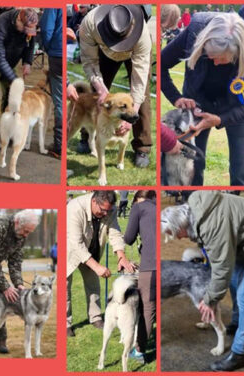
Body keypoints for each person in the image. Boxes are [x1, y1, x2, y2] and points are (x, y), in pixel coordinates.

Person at [161, 191, 244, 371]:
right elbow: (218, 258)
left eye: (175, 233)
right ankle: (237, 322)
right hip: (239, 242)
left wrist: (209, 300)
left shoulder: (211, 225)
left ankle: (240, 353)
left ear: (181, 225)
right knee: (233, 281)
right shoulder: (197, 211)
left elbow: (222, 267)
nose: (177, 238)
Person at [162, 12, 244, 186]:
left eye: (222, 59)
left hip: (237, 109)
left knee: (242, 172)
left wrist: (220, 119)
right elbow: (161, 64)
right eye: (209, 56)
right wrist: (177, 98)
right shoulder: (194, 30)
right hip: (197, 106)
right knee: (191, 166)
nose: (215, 63)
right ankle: (191, 207)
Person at [78, 5, 154, 168]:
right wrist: (101, 88)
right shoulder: (89, 24)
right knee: (95, 96)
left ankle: (142, 146)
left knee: (143, 98)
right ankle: (87, 135)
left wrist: (131, 117)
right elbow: (89, 62)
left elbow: (139, 80)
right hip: (103, 54)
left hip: (135, 54)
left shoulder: (143, 36)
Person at [66, 191, 136, 337]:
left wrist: (121, 256)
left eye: (108, 210)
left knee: (93, 285)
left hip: (91, 249)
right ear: (94, 202)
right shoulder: (74, 208)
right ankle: (65, 323)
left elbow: (115, 233)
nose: (106, 214)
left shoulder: (110, 209)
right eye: (103, 210)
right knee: (65, 287)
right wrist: (97, 267)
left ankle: (96, 317)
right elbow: (76, 244)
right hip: (69, 251)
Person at [0, 210, 40, 354]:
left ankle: (0, 341)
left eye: (29, 232)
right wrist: (6, 286)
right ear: (17, 222)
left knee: (2, 301)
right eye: (25, 231)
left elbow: (15, 262)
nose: (26, 235)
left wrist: (18, 283)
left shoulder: (20, 235)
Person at [0, 8, 38, 150]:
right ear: (19, 19)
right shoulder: (0, 25)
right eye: (24, 29)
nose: (26, 32)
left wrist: (27, 62)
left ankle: (6, 128)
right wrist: (16, 81)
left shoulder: (28, 27)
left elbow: (30, 45)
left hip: (9, 62)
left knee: (11, 95)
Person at [123, 190, 157, 362]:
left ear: (137, 199)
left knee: (148, 308)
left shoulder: (138, 208)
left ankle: (139, 351)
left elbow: (129, 238)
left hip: (151, 266)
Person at [40, 8, 64, 159]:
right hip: (63, 51)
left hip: (56, 53)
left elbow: (46, 29)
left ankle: (59, 146)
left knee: (59, 102)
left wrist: (49, 48)